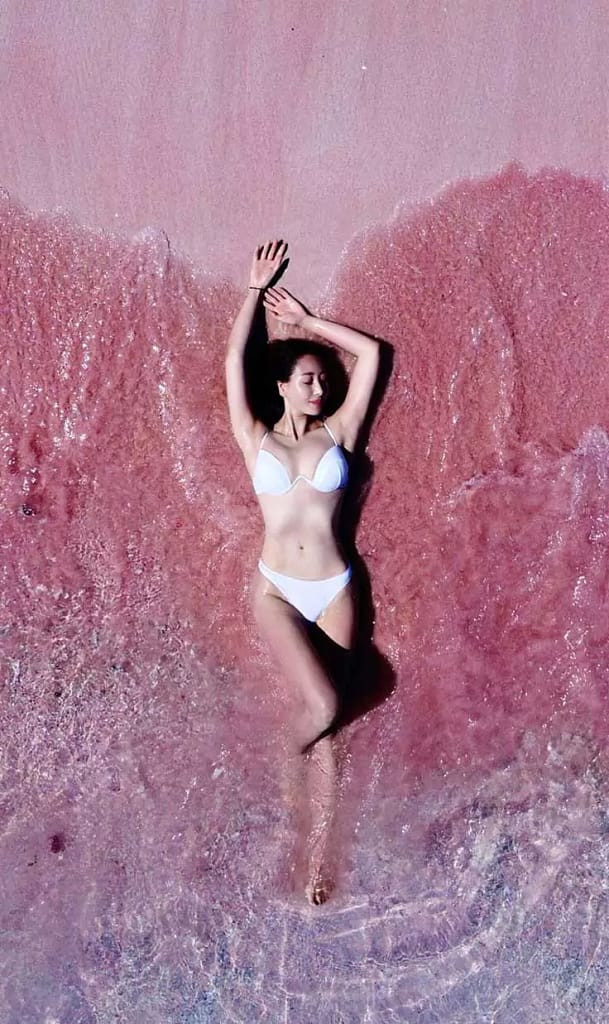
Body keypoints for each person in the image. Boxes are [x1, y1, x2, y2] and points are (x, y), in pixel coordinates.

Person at [225, 239, 379, 903]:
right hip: (276, 590)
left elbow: (371, 355)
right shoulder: (254, 437)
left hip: (336, 588)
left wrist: (310, 321)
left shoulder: (341, 433)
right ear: (282, 384)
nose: (320, 387)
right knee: (320, 706)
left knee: (331, 730)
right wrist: (254, 292)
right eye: (308, 378)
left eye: (323, 378)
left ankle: (316, 864)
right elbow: (234, 360)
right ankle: (261, 783)